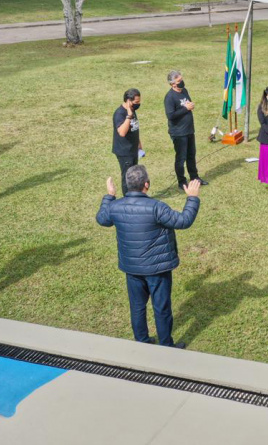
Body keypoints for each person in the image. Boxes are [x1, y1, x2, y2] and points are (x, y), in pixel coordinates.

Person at [96, 165, 201, 348]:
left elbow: (102, 219)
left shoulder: (115, 206)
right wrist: (192, 198)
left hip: (132, 268)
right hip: (157, 269)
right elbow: (183, 221)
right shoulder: (156, 207)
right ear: (147, 184)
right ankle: (166, 345)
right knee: (161, 308)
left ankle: (142, 342)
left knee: (137, 307)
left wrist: (109, 196)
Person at [164, 70, 207, 191]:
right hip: (178, 133)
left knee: (191, 155)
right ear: (173, 84)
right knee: (181, 158)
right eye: (179, 81)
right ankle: (181, 182)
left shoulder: (184, 91)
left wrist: (190, 106)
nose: (182, 82)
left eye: (182, 79)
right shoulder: (169, 97)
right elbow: (170, 115)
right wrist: (186, 108)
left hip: (189, 130)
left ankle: (195, 178)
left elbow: (187, 104)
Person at [112, 88, 142, 196]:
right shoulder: (119, 113)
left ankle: (134, 197)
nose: (138, 104)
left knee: (134, 176)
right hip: (124, 152)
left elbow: (134, 127)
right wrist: (129, 116)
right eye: (136, 102)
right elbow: (122, 132)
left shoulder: (132, 110)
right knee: (127, 177)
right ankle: (127, 200)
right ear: (129, 101)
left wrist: (138, 142)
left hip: (133, 149)